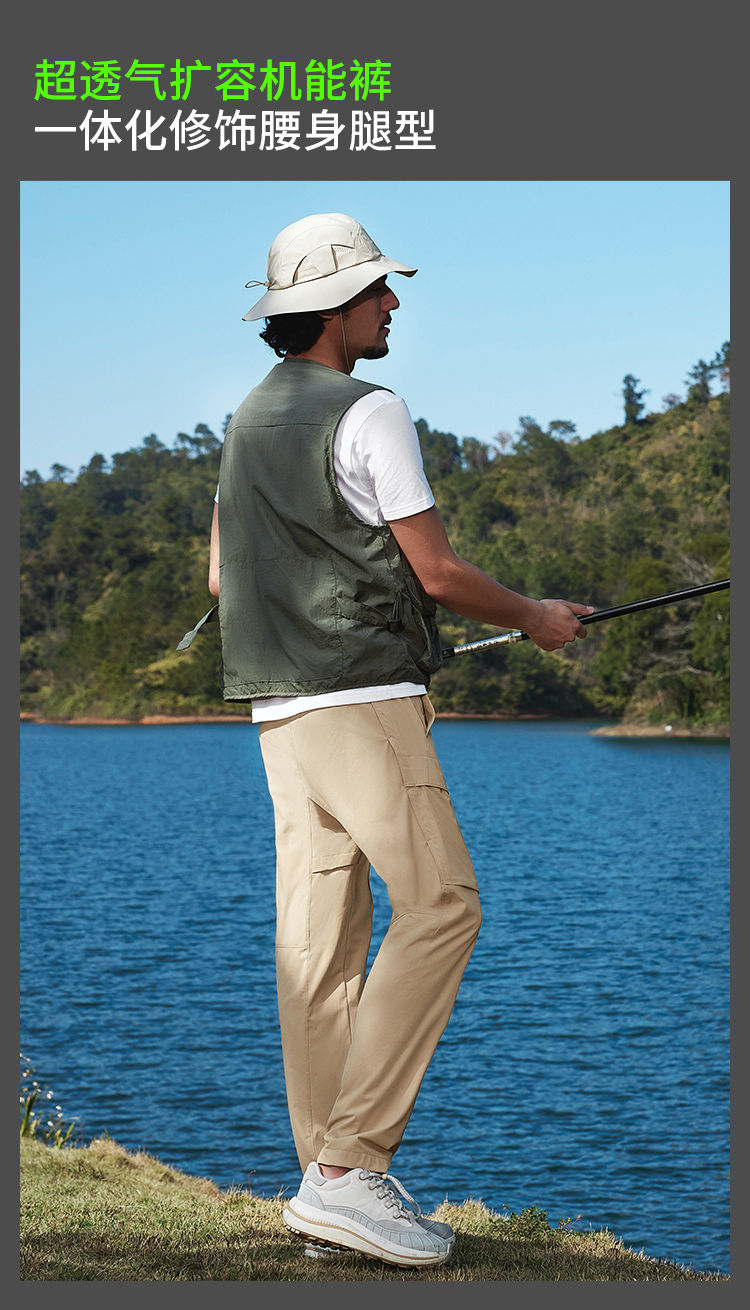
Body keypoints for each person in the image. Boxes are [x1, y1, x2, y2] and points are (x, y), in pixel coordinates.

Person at [194, 213, 592, 1268]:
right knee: (444, 904)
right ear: (334, 309)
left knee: (317, 946)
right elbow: (441, 573)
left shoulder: (244, 419)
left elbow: (222, 578)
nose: (392, 303)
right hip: (363, 705)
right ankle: (349, 1170)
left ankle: (326, 1185)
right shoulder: (371, 409)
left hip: (278, 716)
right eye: (377, 290)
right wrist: (540, 618)